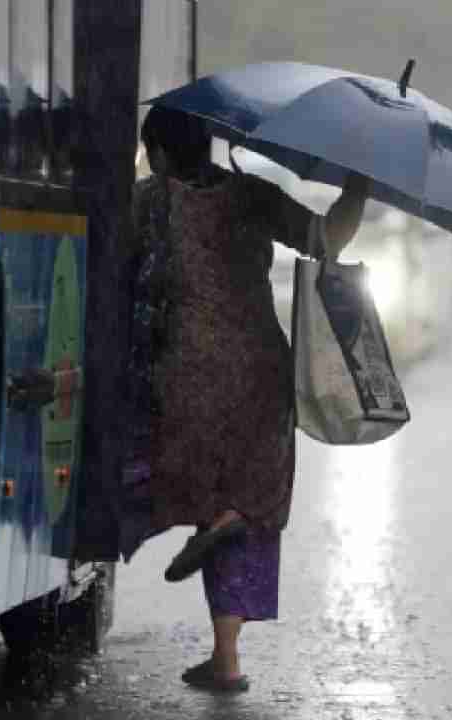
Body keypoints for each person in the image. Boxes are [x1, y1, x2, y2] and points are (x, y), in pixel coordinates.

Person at [128, 105, 369, 693]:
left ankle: (86, 566)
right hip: (261, 373)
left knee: (170, 480)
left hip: (183, 375)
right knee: (245, 501)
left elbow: (112, 267)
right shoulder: (251, 197)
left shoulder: (148, 201)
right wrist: (359, 183)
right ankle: (227, 657)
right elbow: (326, 239)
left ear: (158, 152)